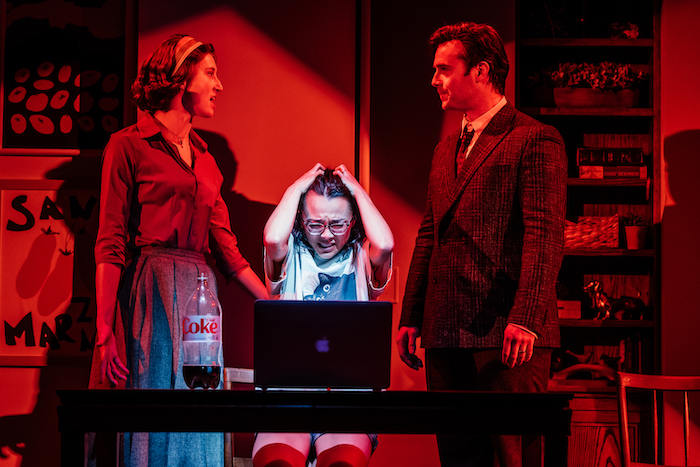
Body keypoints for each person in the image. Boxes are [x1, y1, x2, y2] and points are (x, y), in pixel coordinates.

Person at [88, 34, 269, 467]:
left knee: (198, 414)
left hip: (199, 295)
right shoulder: (128, 145)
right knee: (151, 409)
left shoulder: (206, 160)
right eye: (210, 73)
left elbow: (227, 249)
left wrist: (274, 305)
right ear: (181, 78)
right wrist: (104, 329)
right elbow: (110, 241)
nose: (218, 85)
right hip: (150, 292)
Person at [396, 21, 567, 467]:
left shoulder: (533, 138)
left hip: (506, 331)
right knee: (458, 459)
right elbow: (430, 233)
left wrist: (526, 318)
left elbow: (545, 234)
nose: (434, 80)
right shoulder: (445, 149)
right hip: (445, 329)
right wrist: (411, 315)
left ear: (481, 71)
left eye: (444, 69)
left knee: (512, 458)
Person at [253, 163, 394, 467]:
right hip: (287, 398)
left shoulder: (361, 257)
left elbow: (385, 244)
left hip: (348, 402)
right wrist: (296, 188)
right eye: (315, 224)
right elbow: (273, 239)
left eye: (338, 224)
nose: (327, 234)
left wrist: (358, 191)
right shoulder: (290, 254)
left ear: (353, 222)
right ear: (301, 220)